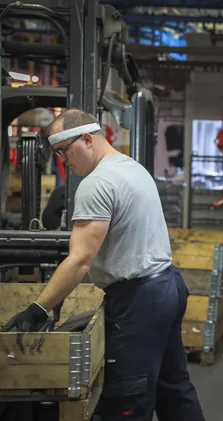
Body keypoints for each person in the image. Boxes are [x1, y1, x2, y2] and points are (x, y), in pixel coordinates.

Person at [0, 109, 206, 421]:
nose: (64, 162)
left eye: (64, 152)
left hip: (139, 299)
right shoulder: (130, 167)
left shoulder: (97, 183)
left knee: (127, 399)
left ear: (86, 139)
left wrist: (37, 308)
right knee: (174, 389)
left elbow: (80, 259)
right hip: (167, 287)